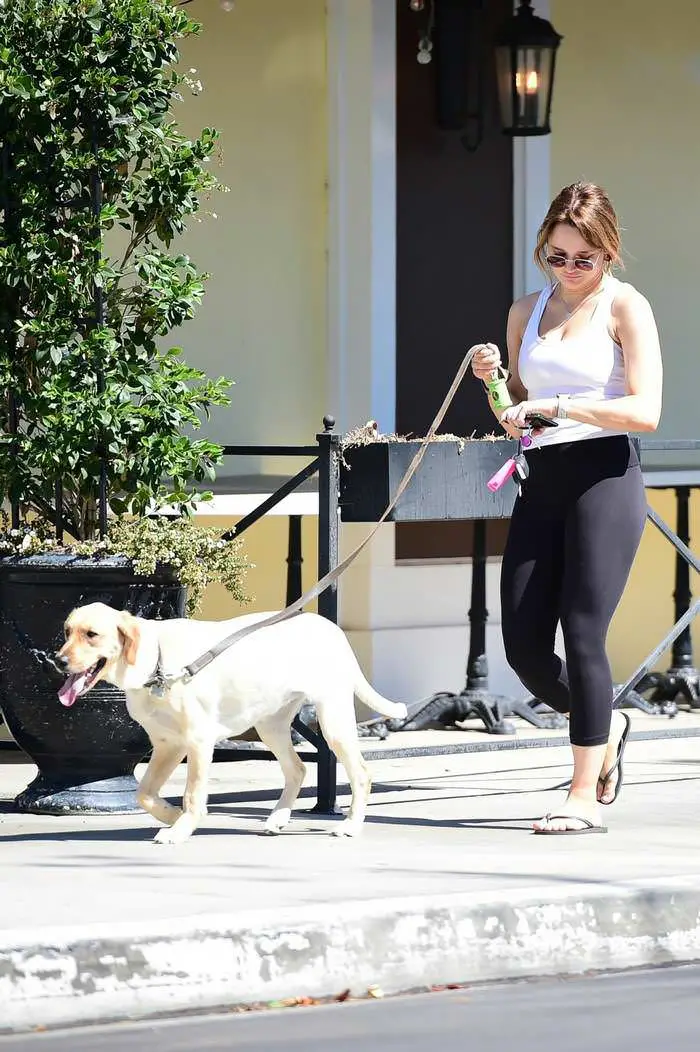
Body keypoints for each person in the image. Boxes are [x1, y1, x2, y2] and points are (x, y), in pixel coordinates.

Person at [472, 181, 662, 835]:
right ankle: (608, 726)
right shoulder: (526, 311)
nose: (571, 270)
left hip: (605, 477)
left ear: (609, 254)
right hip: (542, 478)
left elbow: (647, 410)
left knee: (582, 631)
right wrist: (495, 381)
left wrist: (563, 407)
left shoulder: (625, 308)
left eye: (585, 258)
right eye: (558, 256)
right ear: (543, 251)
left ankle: (583, 792)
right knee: (524, 646)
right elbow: (515, 416)